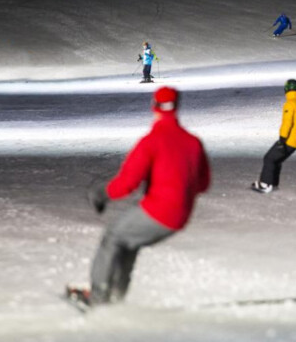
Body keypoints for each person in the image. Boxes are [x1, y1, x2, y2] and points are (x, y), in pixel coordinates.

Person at [69, 86, 210, 309]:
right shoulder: (193, 142)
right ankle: (116, 298)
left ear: (154, 106)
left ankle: (96, 300)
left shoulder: (152, 141)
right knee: (128, 243)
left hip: (159, 210)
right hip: (180, 216)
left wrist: (101, 194)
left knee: (113, 238)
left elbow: (127, 183)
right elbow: (203, 184)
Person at [252, 79, 296, 193]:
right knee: (276, 160)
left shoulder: (290, 103)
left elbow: (287, 123)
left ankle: (265, 184)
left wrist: (282, 140)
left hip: (288, 139)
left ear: (286, 89)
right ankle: (273, 184)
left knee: (269, 158)